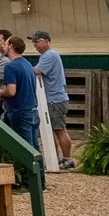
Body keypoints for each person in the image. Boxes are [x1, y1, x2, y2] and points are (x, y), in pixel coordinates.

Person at [27, 32, 73, 170]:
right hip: (53, 98)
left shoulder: (49, 55)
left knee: (59, 129)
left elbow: (37, 71)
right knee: (52, 129)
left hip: (55, 99)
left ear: (47, 41)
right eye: (34, 42)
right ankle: (56, 158)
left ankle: (67, 159)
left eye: (38, 41)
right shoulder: (46, 56)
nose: (36, 45)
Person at [0, 36, 40, 154]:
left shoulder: (10, 66)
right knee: (34, 147)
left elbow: (11, 91)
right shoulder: (27, 64)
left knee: (25, 149)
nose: (4, 46)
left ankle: (27, 171)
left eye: (6, 44)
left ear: (11, 46)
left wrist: (0, 92)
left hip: (19, 111)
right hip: (32, 109)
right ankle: (39, 171)